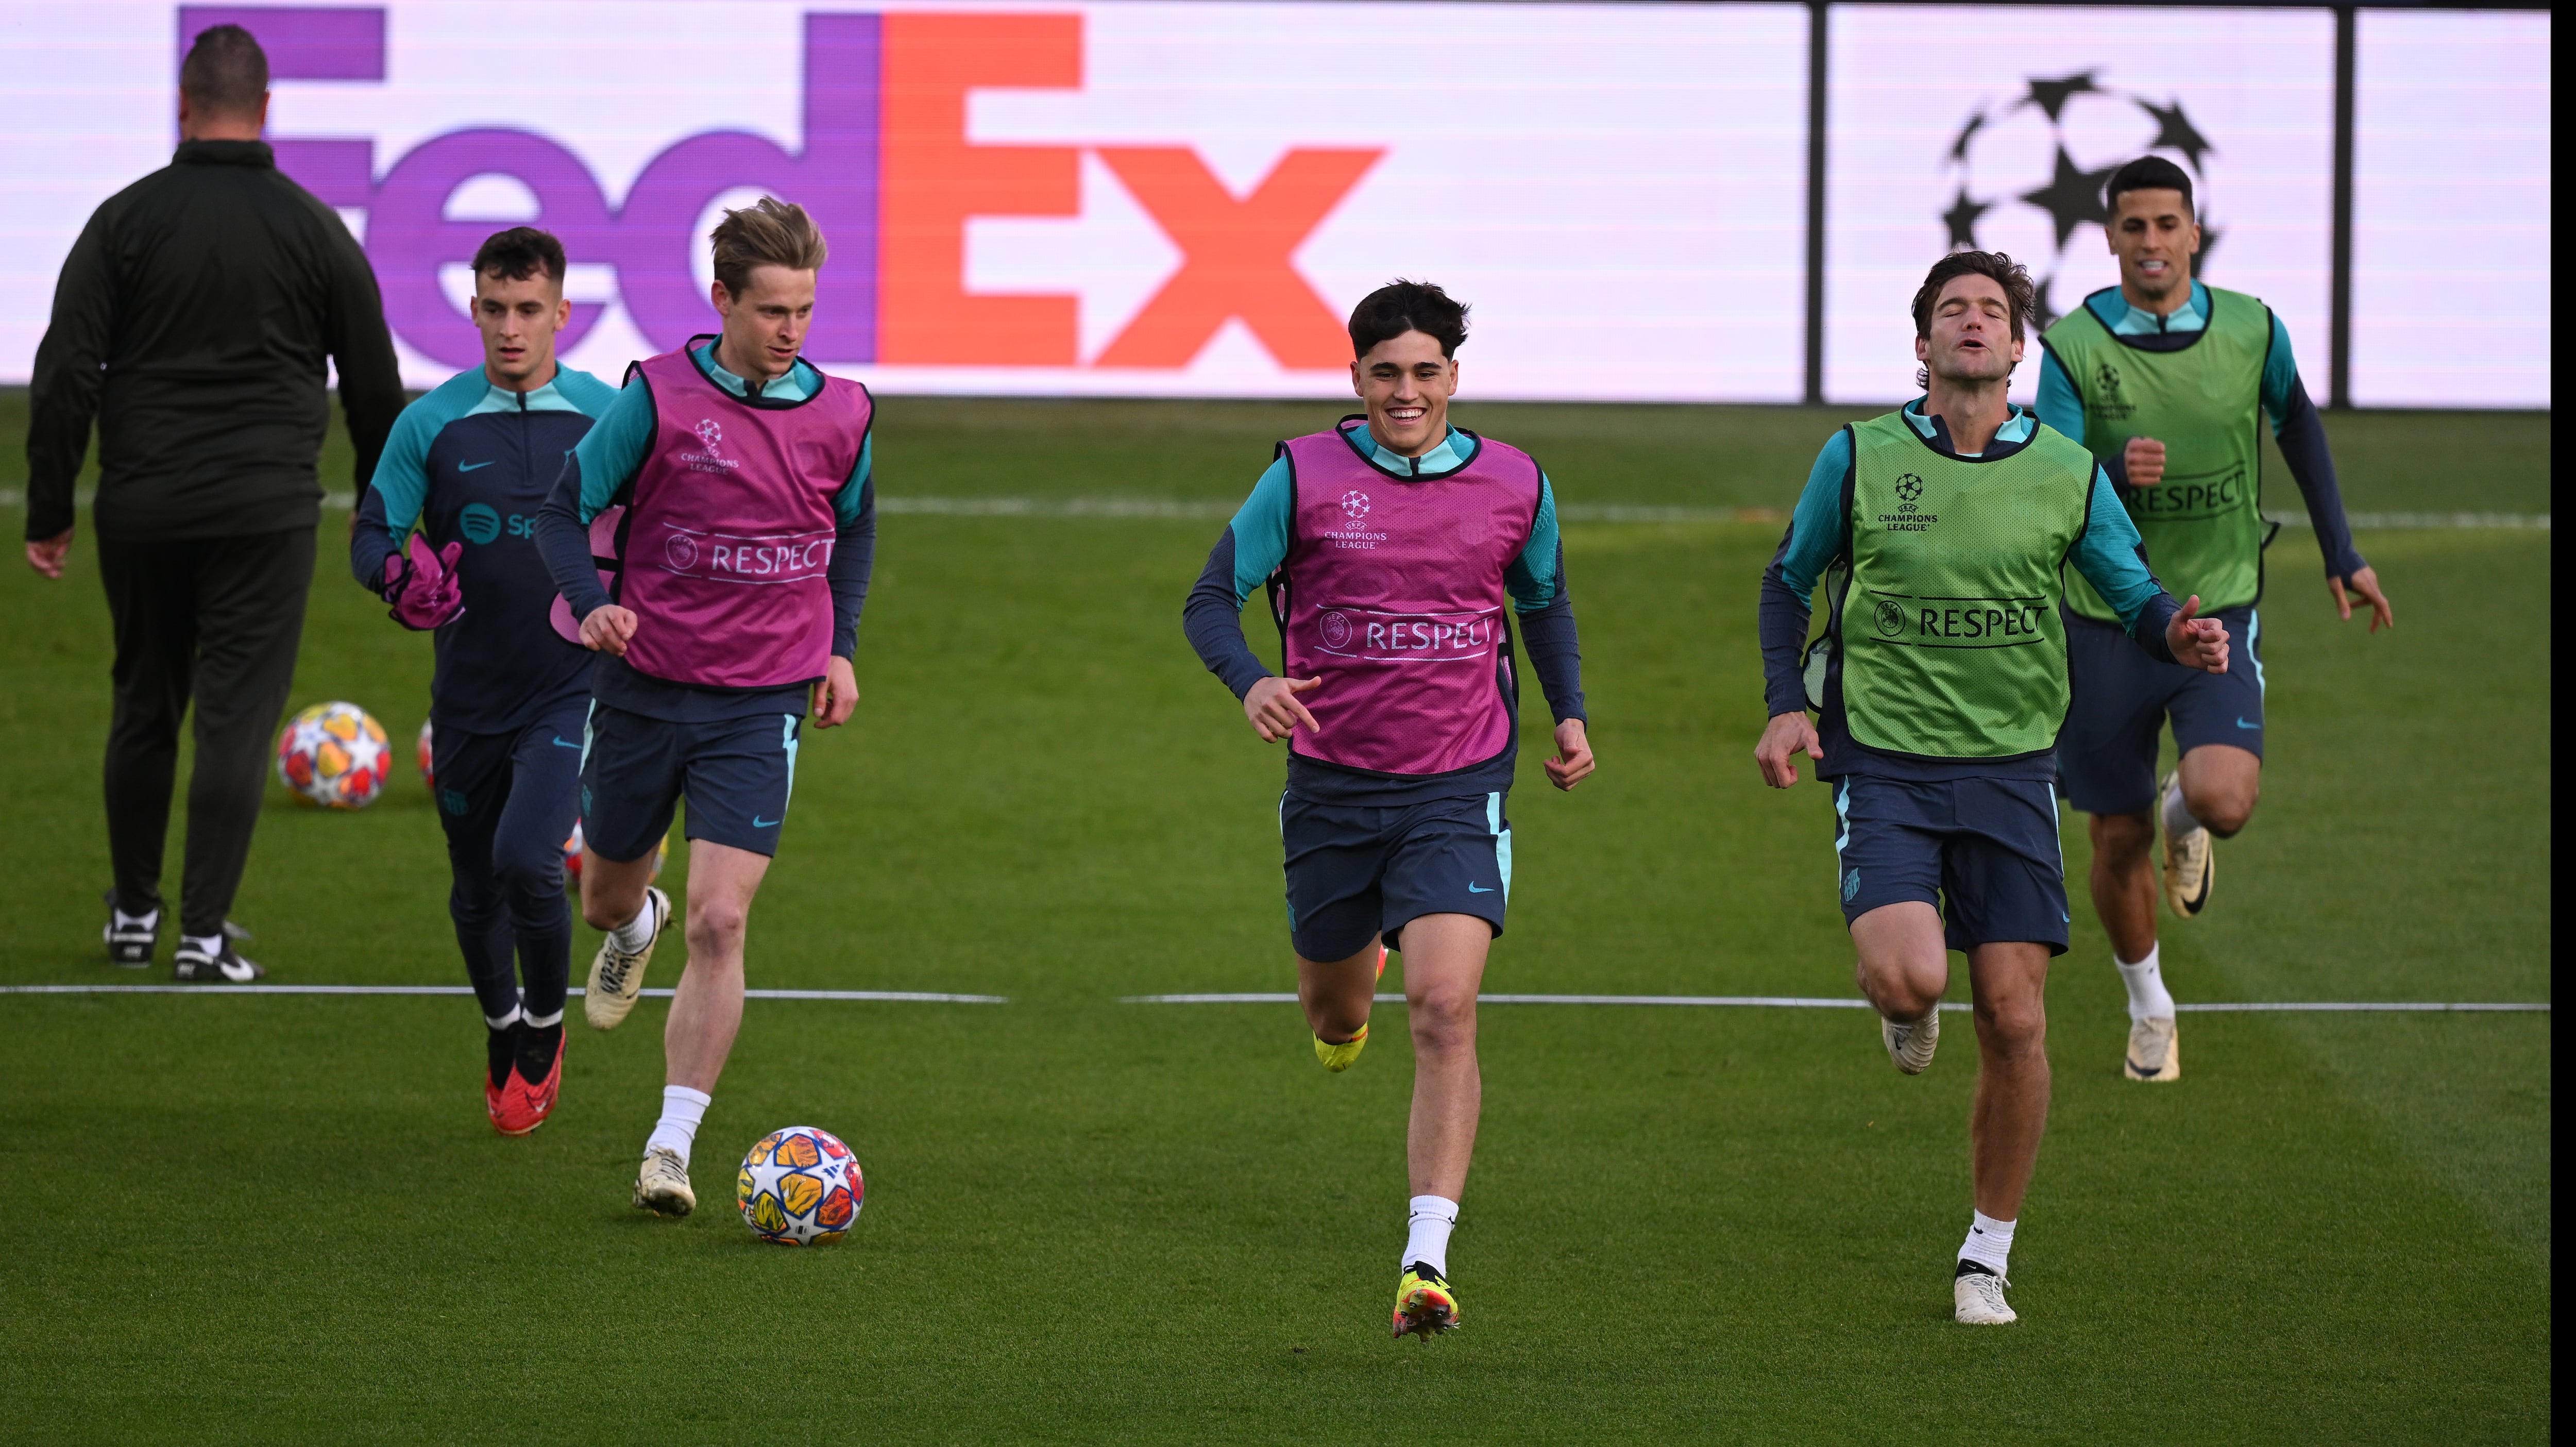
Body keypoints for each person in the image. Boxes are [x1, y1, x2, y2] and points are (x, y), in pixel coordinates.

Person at [1753, 251, 2229, 1325]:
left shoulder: (2064, 469)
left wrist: (2175, 631)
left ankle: (1985, 1257)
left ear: (2019, 348)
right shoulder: (1859, 456)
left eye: (1994, 312)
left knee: (2015, 1023)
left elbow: (2129, 585)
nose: (1972, 324)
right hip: (1883, 761)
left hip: (2014, 769)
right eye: (1950, 311)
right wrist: (1788, 702)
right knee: (1913, 983)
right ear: (1921, 343)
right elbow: (1787, 582)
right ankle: (1905, 1003)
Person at [1182, 280, 1595, 1340]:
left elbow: (1542, 603)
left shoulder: (1514, 482)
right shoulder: (1303, 474)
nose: (1404, 393)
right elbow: (1208, 599)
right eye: (1384, 373)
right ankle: (1352, 976)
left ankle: (1425, 1256)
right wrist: (1251, 682)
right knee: (1337, 1014)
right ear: (1355, 376)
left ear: (1453, 375)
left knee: (1445, 1009)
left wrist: (1568, 718)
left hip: (1460, 785)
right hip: (1331, 786)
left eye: (1424, 372)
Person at [23, 23, 404, 982]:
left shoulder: (125, 220)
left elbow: (65, 368)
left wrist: (48, 506)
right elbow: (373, 382)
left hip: (142, 506)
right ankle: (201, 935)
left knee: (144, 703)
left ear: (182, 105)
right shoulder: (314, 226)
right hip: (264, 514)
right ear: (268, 109)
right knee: (235, 718)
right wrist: (377, 506)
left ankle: (132, 918)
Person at [535, 196, 875, 1215]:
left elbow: (852, 532)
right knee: (599, 899)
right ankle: (635, 916)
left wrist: (840, 649)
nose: (790, 330)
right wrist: (593, 607)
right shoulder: (656, 400)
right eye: (770, 309)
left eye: (804, 310)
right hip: (644, 692)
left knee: (723, 923)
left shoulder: (845, 411)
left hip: (759, 701)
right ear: (721, 298)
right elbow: (563, 510)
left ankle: (669, 1147)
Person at [2036, 156, 2393, 1082]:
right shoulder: (2074, 345)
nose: (2151, 242)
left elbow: (2300, 426)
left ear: (2196, 232)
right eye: (2133, 227)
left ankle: (2182, 812)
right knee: (2114, 842)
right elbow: (2049, 484)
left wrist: (2341, 550)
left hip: (2219, 603)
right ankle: (2149, 1002)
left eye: (2167, 225)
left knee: (2225, 799)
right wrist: (2114, 472)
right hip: (2105, 618)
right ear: (2109, 237)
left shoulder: (2252, 327)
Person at [351, 227, 618, 1135]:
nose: (512, 329)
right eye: (495, 310)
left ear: (562, 315)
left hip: (570, 688)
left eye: (529, 311)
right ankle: (501, 1025)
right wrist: (399, 580)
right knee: (473, 888)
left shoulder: (609, 417)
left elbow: (657, 530)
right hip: (467, 698)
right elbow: (370, 534)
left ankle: (545, 1028)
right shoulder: (430, 422)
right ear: (473, 310)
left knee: (526, 861)